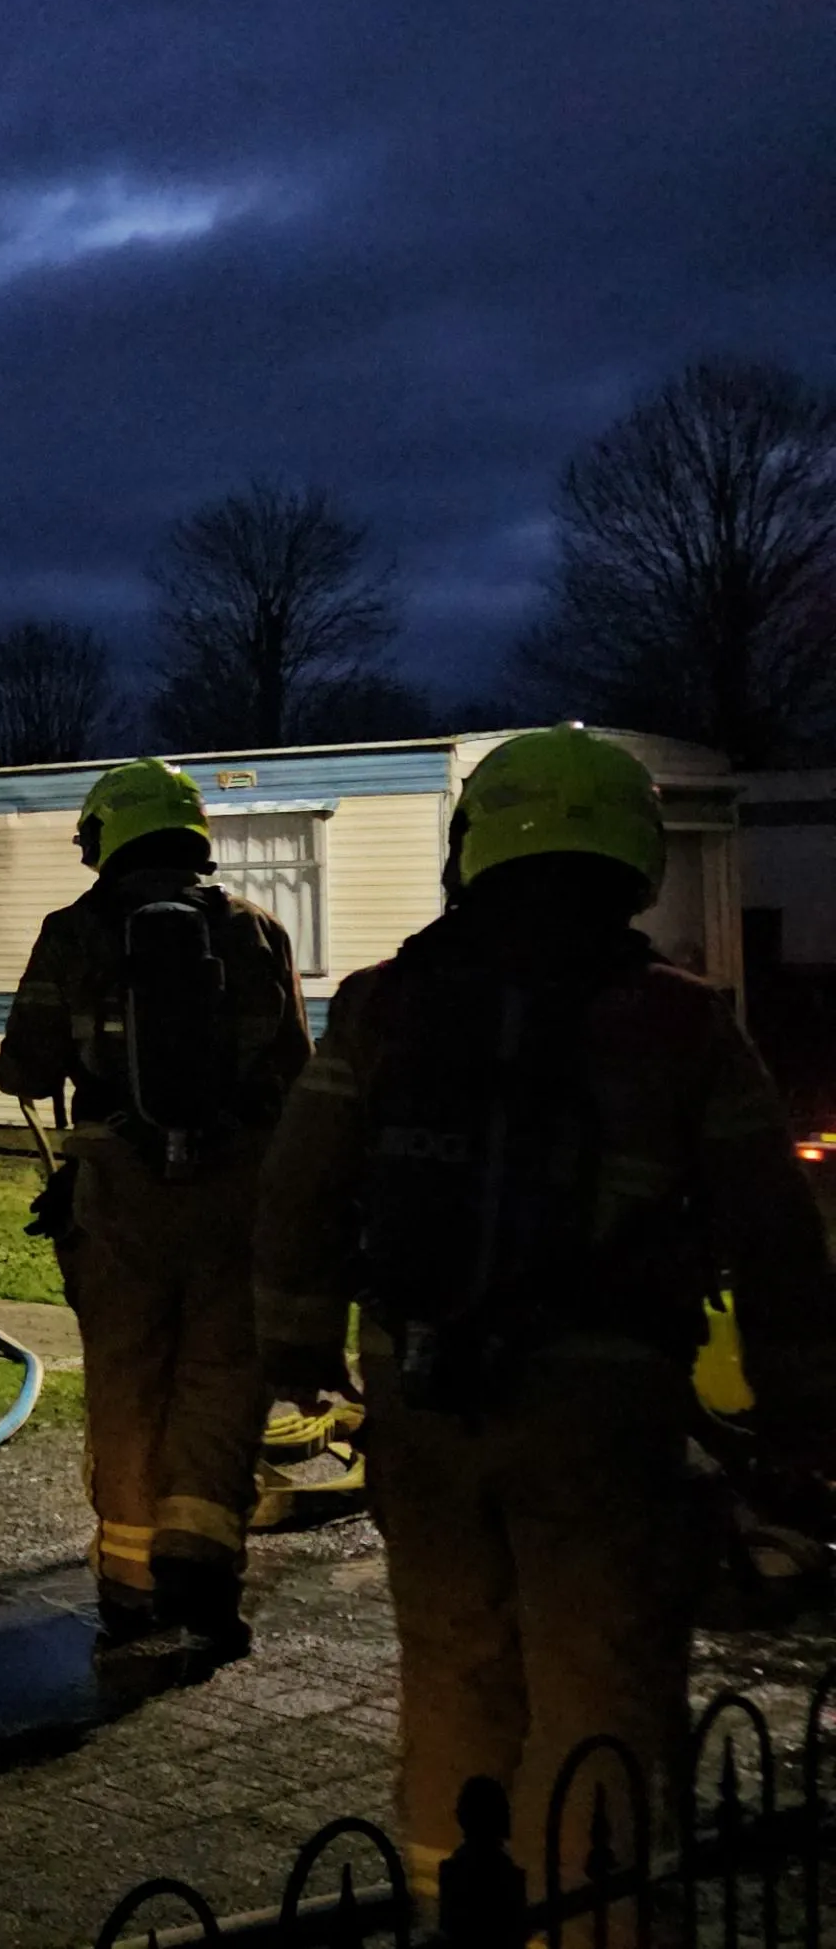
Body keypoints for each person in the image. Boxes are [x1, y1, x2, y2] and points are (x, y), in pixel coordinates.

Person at [254, 726, 836, 1910]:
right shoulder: (682, 1023)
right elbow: (777, 1237)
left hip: (418, 1395)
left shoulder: (382, 1005)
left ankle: (448, 1908)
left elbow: (299, 1189)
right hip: (601, 1416)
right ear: (635, 856)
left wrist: (300, 1345)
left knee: (455, 1664)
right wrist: (803, 1420)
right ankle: (589, 1922)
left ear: (475, 851)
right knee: (599, 1686)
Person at [0, 758, 312, 1668]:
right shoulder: (258, 933)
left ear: (108, 837)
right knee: (220, 1377)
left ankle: (130, 1590)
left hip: (118, 1195)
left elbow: (23, 1067)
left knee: (128, 1381)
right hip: (236, 1196)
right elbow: (294, 1068)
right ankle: (205, 1582)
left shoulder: (73, 932)